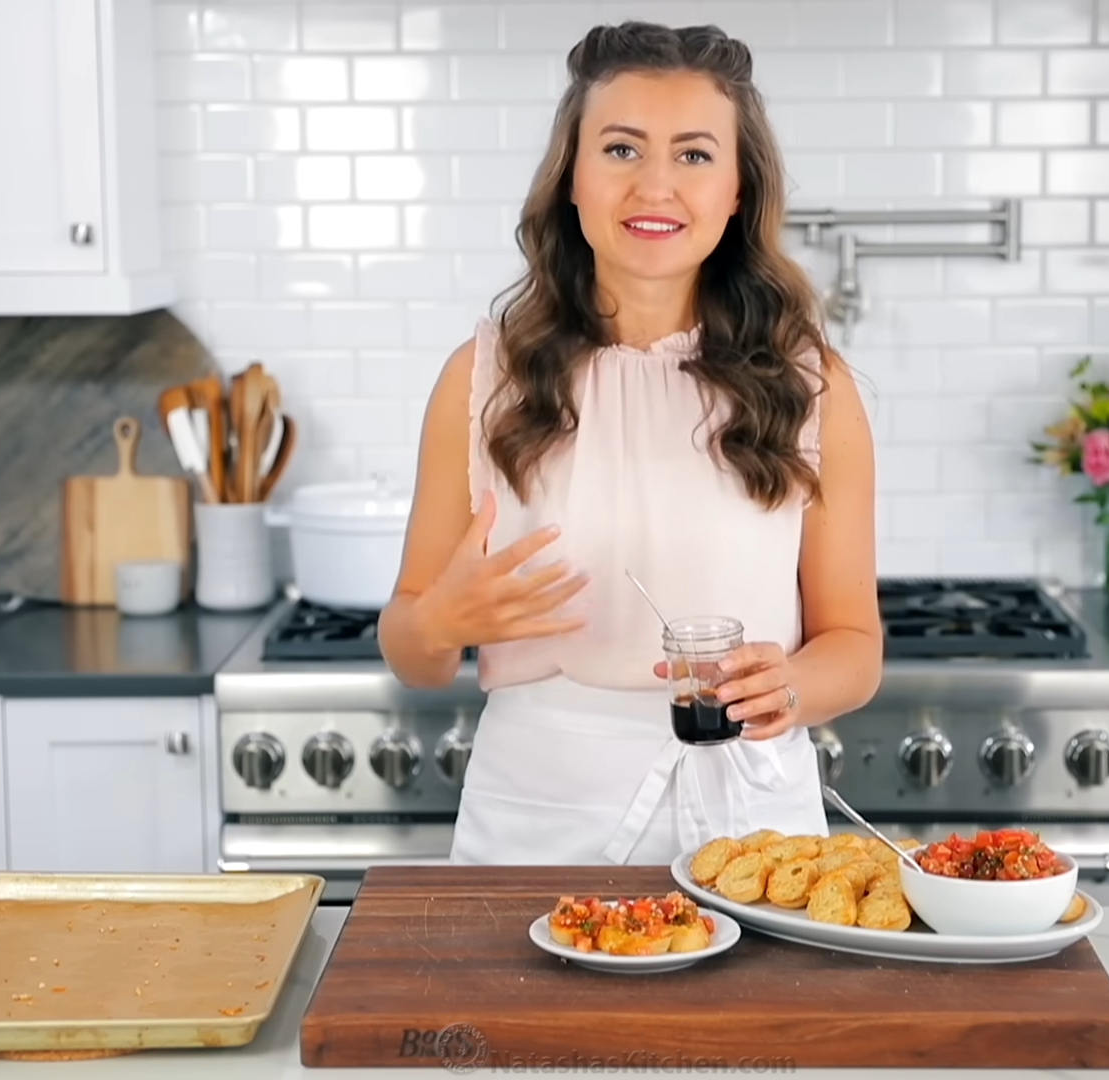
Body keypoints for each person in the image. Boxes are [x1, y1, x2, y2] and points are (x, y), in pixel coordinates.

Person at [377, 21, 881, 866]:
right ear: (571, 178)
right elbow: (411, 653)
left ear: (737, 191)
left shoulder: (812, 386)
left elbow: (854, 647)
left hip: (749, 829)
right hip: (535, 826)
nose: (656, 185)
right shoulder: (481, 377)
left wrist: (792, 685)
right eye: (619, 149)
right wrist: (438, 623)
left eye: (693, 155)